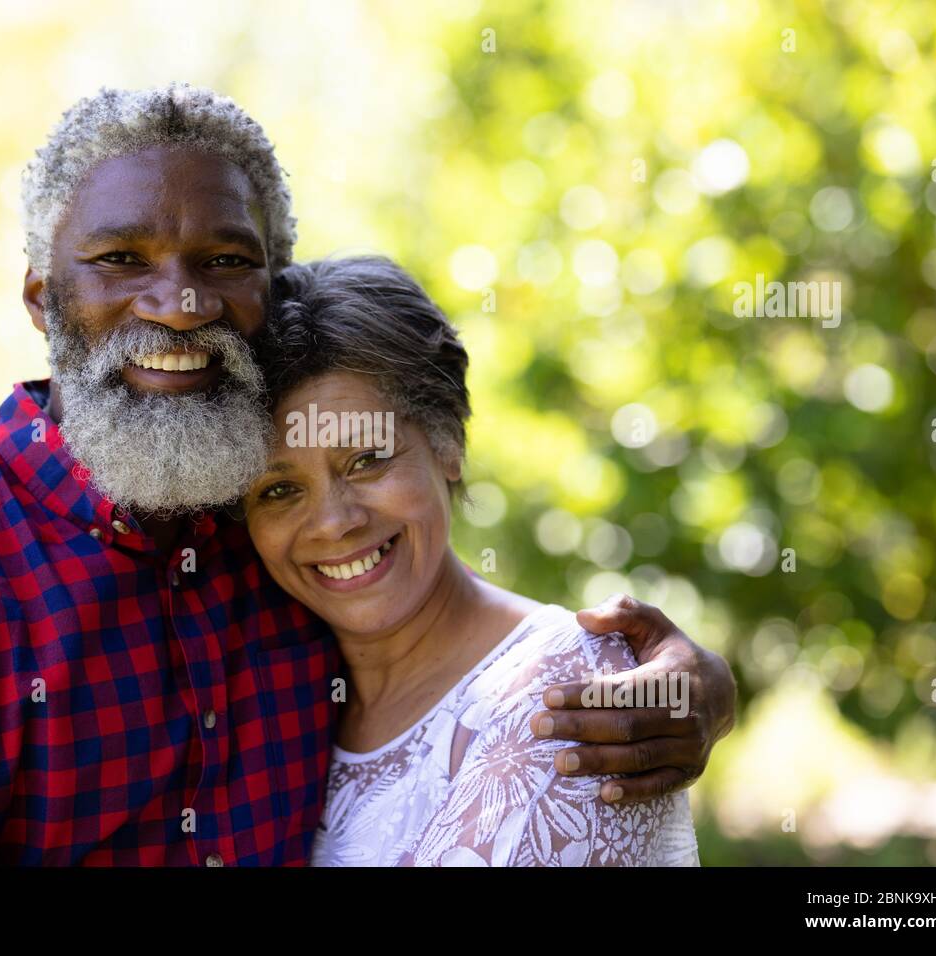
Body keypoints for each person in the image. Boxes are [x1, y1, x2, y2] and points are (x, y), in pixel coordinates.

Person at [0, 84, 735, 865]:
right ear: (41, 296)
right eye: (121, 259)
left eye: (223, 260)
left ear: (269, 287)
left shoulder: (265, 527)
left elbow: (461, 657)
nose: (181, 304)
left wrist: (690, 687)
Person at [243, 257, 701, 865]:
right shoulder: (272, 691)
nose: (335, 522)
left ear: (447, 443)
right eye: (279, 490)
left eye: (368, 459)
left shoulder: (564, 691)